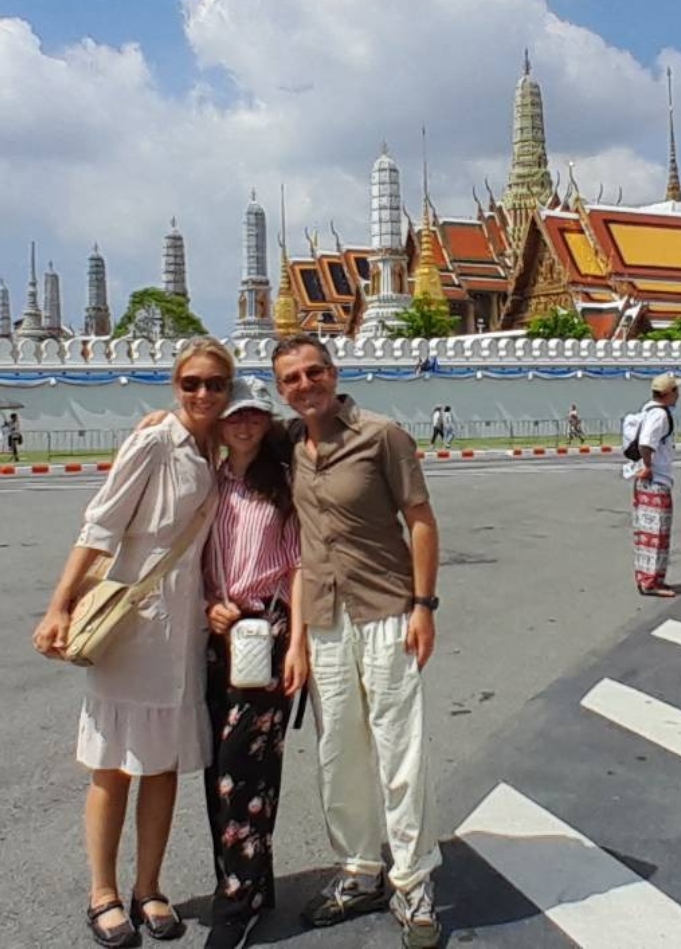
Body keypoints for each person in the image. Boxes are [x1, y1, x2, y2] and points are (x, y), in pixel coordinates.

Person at [33, 338, 234, 948]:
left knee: (164, 767)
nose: (203, 394)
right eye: (192, 383)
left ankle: (149, 887)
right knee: (114, 766)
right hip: (130, 627)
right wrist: (59, 605)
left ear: (230, 390)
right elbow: (100, 526)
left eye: (216, 384)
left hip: (184, 632)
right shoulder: (153, 442)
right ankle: (103, 892)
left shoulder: (220, 448)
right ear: (176, 386)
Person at [270, 334, 443, 948]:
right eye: (290, 378)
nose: (304, 384)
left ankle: (413, 878)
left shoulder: (380, 434)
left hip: (387, 606)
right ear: (280, 388)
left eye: (314, 371)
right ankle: (358, 868)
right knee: (336, 750)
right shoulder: (286, 442)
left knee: (399, 747)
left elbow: (420, 520)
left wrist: (423, 606)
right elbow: (218, 431)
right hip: (323, 616)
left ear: (335, 373)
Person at [200, 377, 300, 948]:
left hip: (267, 633)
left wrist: (301, 645)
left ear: (267, 423)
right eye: (235, 416)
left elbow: (300, 569)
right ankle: (248, 882)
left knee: (248, 763)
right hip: (215, 634)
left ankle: (236, 902)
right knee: (219, 767)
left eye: (255, 416)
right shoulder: (209, 485)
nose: (244, 425)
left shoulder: (281, 487)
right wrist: (208, 604)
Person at [622, 374, 681, 597]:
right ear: (668, 394)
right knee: (657, 532)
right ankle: (652, 581)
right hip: (656, 479)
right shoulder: (659, 415)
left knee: (645, 531)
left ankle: (646, 577)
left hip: (647, 479)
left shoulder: (648, 410)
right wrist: (648, 465)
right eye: (676, 390)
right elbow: (647, 443)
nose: (678, 395)